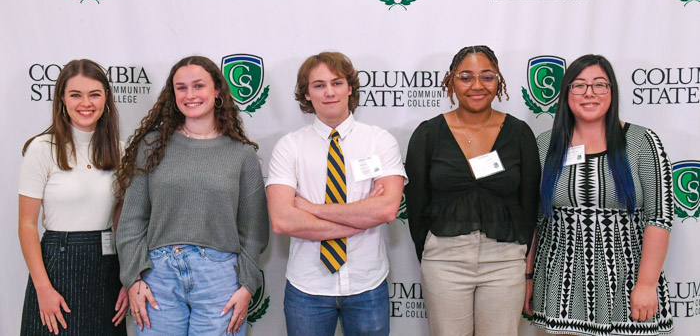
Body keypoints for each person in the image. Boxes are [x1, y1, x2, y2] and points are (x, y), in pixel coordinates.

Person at [115, 56, 268, 336]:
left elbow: (254, 230)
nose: (190, 95)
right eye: (181, 88)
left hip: (220, 280)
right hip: (157, 277)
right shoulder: (151, 145)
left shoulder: (241, 154)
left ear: (217, 91)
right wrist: (134, 278)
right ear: (172, 95)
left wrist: (246, 285)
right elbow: (131, 221)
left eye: (199, 86)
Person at [524, 54, 674, 335]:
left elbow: (660, 217)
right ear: (566, 93)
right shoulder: (544, 145)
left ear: (612, 91)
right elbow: (533, 220)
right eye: (579, 85)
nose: (589, 93)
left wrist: (646, 284)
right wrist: (528, 276)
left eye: (599, 85)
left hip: (626, 285)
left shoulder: (642, 141)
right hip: (560, 288)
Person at [266, 51, 406, 336]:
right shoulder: (289, 146)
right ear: (306, 94)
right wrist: (361, 215)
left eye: (337, 83)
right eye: (318, 85)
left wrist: (311, 208)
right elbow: (282, 220)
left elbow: (387, 210)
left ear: (350, 87)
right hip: (308, 288)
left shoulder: (380, 141)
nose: (329, 92)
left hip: (367, 284)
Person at [405, 45, 541, 335]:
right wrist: (432, 250)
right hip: (445, 259)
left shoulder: (519, 134)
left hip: (504, 259)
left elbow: (529, 203)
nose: (477, 85)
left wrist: (520, 255)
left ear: (499, 81)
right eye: (466, 77)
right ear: (451, 81)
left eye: (487, 76)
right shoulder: (428, 134)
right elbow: (416, 205)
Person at [18, 59, 128, 335]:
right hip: (56, 267)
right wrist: (43, 289)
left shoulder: (120, 151)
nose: (85, 103)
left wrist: (127, 279)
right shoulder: (42, 148)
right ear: (62, 100)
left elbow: (122, 222)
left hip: (107, 268)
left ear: (106, 99)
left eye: (94, 94)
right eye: (75, 95)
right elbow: (27, 225)